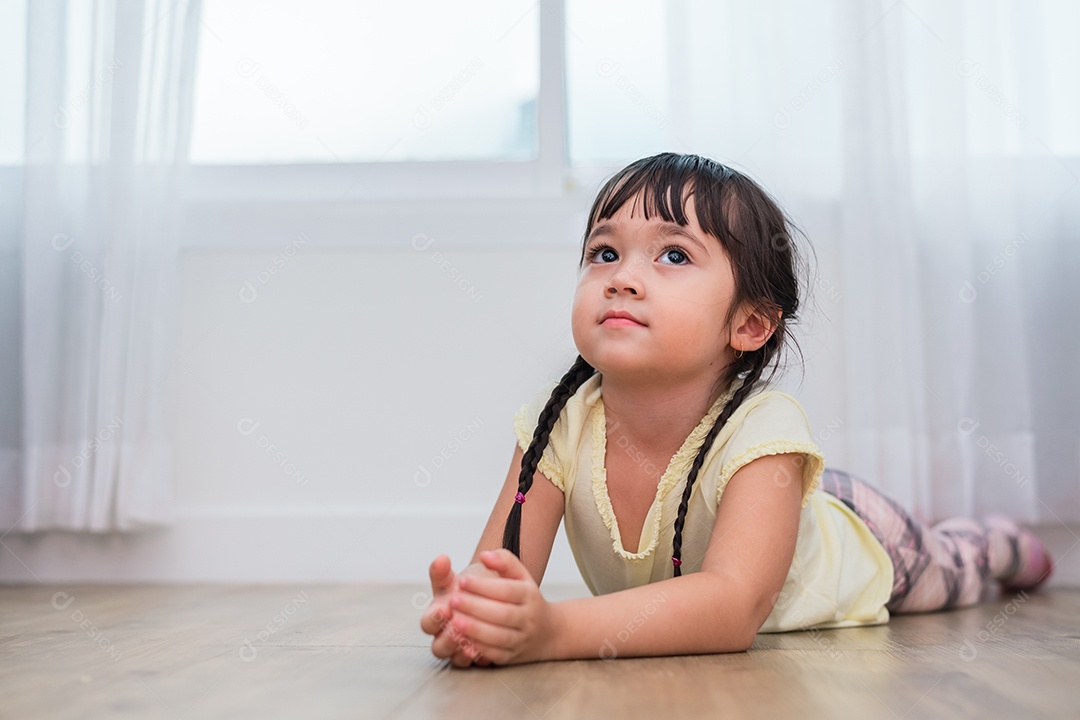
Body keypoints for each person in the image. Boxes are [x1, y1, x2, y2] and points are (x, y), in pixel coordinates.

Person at [418, 152, 1054, 668]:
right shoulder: (553, 428)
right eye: (604, 253)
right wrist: (474, 617)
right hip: (768, 495)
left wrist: (553, 631)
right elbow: (502, 576)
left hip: (853, 539)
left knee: (947, 572)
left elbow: (731, 607)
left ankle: (990, 542)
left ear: (750, 324)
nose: (622, 276)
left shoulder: (767, 427)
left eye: (673, 255)